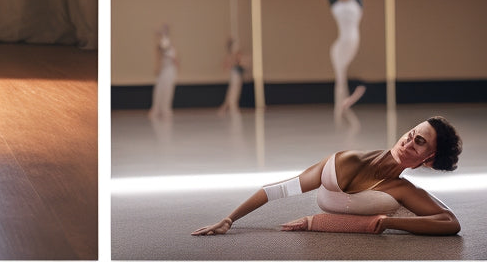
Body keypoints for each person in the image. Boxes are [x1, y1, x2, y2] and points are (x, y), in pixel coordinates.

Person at [192, 116, 462, 236]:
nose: (408, 141)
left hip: (390, 207)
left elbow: (450, 222)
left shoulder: (401, 191)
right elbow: (281, 189)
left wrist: (390, 222)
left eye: (420, 142)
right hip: (367, 194)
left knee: (408, 208)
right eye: (411, 133)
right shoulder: (346, 161)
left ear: (427, 161)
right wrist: (228, 219)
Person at [321, 0, 366, 123]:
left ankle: (342, 107)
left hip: (352, 41)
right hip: (339, 45)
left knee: (342, 75)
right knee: (340, 77)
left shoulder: (357, 4)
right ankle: (340, 108)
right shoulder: (336, 5)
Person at [149, 24, 178, 120]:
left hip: (169, 71)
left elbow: (174, 59)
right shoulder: (162, 43)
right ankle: (157, 109)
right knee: (159, 90)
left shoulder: (169, 45)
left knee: (167, 90)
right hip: (163, 70)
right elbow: (160, 56)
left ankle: (165, 110)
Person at [218, 36, 245, 116]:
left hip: (237, 74)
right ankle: (232, 109)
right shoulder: (233, 55)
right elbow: (227, 64)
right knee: (233, 92)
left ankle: (225, 108)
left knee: (233, 92)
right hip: (234, 74)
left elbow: (241, 63)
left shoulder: (237, 54)